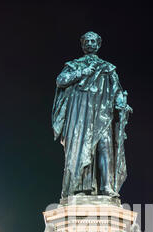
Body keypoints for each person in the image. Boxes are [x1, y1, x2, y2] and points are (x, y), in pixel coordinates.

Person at [52, 31, 132, 199]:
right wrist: (83, 72)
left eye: (93, 41)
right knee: (81, 150)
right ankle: (77, 187)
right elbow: (61, 80)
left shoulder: (107, 68)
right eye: (86, 41)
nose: (89, 43)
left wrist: (121, 103)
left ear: (98, 44)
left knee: (104, 146)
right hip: (80, 114)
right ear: (82, 45)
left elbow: (116, 90)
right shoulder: (74, 65)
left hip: (102, 114)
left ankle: (106, 186)